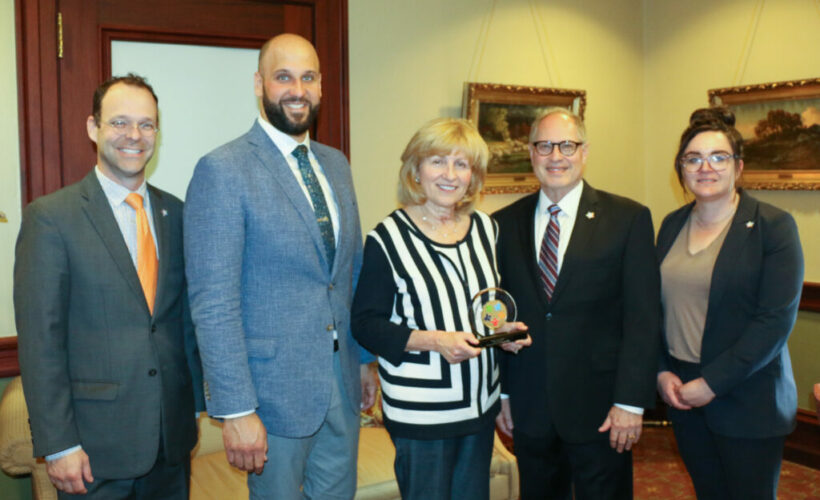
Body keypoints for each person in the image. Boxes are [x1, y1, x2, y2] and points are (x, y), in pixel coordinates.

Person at [183, 33, 376, 500]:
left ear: (321, 85)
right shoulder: (223, 170)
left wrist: (365, 359)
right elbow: (214, 303)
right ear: (259, 83)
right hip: (271, 397)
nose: (298, 89)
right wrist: (235, 409)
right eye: (283, 76)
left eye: (308, 77)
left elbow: (349, 270)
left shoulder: (335, 163)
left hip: (341, 385)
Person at [13, 74, 203, 499]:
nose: (134, 135)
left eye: (147, 124)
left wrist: (193, 410)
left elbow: (179, 322)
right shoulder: (51, 218)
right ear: (93, 128)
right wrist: (58, 444)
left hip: (169, 446)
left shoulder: (176, 212)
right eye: (119, 122)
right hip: (94, 453)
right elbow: (40, 342)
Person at [351, 117, 531, 500]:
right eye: (437, 161)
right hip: (423, 415)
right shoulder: (387, 239)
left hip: (480, 408)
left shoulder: (487, 230)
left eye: (462, 164)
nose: (450, 174)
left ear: (473, 176)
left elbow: (487, 306)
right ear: (416, 170)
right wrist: (436, 341)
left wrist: (503, 334)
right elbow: (366, 324)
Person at [493, 108, 661, 499]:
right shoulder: (501, 224)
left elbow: (643, 319)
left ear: (584, 152)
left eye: (567, 145)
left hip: (602, 411)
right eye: (545, 146)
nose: (556, 156)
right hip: (530, 408)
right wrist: (502, 393)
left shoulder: (627, 218)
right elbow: (499, 315)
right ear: (531, 153)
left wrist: (630, 403)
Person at [656, 107, 803, 500]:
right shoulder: (671, 224)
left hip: (748, 399)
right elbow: (654, 308)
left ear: (738, 167)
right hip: (683, 393)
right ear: (681, 169)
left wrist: (712, 383)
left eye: (718, 157)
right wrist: (661, 372)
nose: (705, 167)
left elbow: (773, 322)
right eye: (693, 158)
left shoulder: (774, 226)